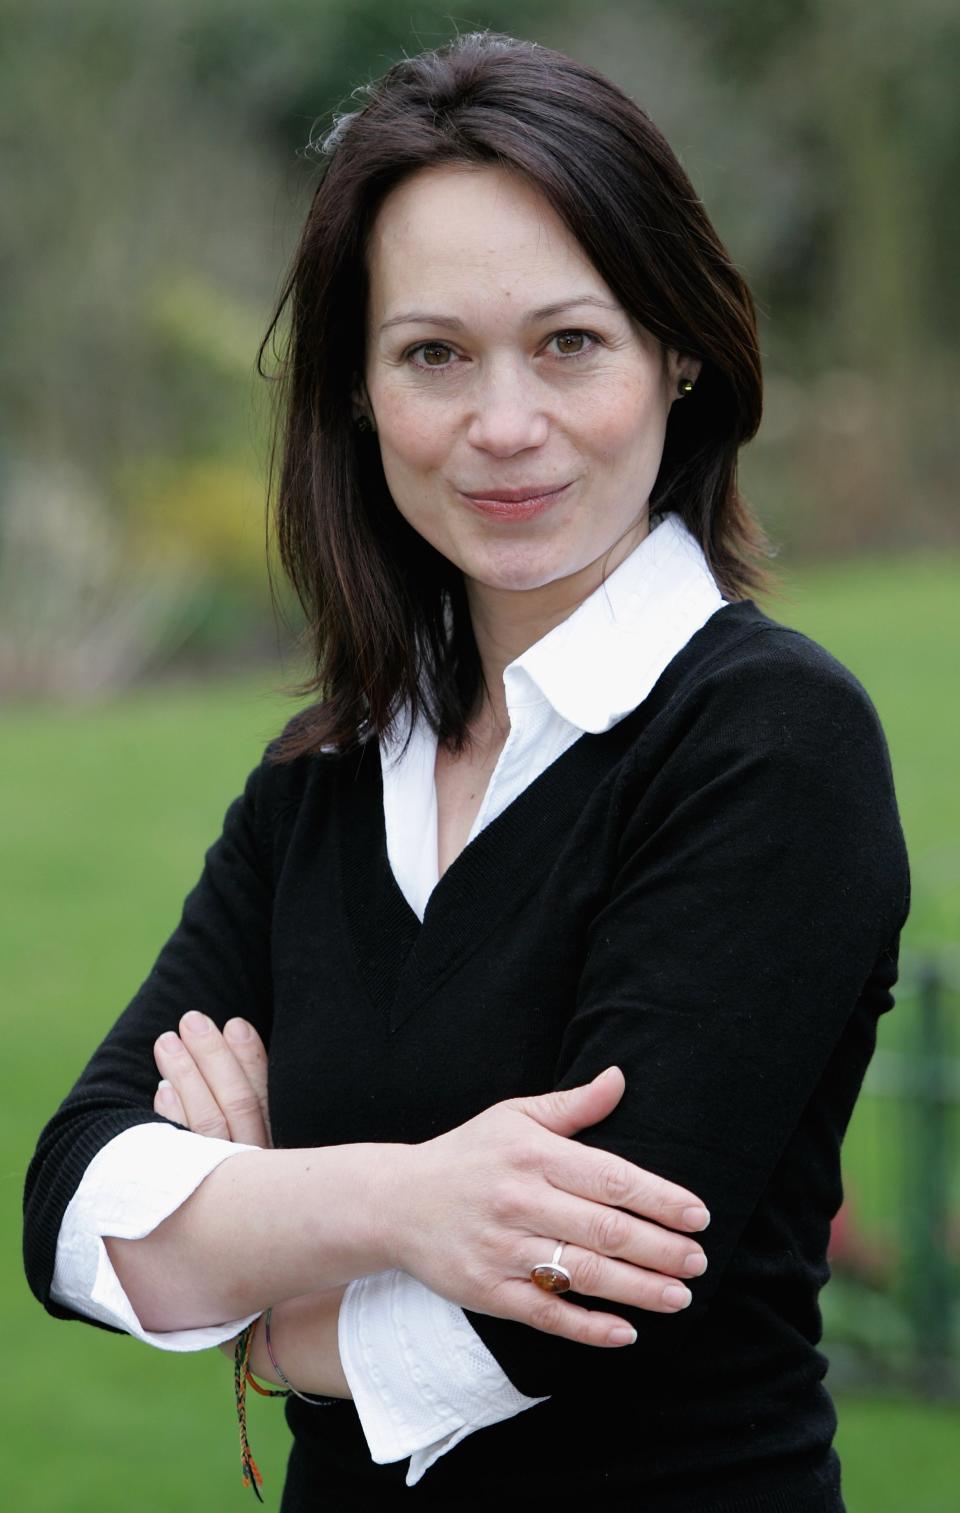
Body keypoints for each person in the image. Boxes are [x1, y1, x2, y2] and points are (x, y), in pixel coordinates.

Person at [23, 30, 909, 1512]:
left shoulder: (767, 742)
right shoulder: (325, 770)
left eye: (570, 342)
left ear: (677, 352)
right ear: (360, 393)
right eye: (433, 354)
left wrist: (256, 1285)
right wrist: (408, 1198)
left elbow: (563, 1299)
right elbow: (70, 1208)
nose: (505, 427)